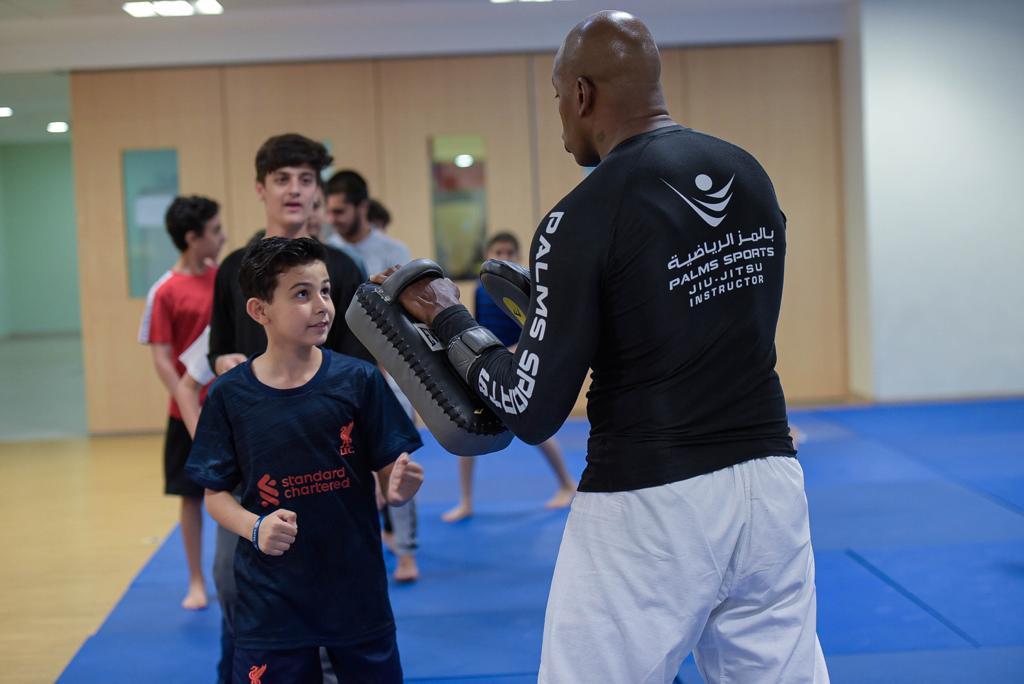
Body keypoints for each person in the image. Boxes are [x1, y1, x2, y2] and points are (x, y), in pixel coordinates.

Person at [390, 11, 829, 684]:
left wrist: (448, 317)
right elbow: (691, 321)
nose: (561, 118)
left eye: (557, 98)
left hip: (650, 500)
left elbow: (531, 408)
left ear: (582, 93)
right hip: (771, 486)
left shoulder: (580, 215)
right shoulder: (747, 172)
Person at [187, 237, 424, 684]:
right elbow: (214, 496)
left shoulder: (360, 381)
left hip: (355, 590)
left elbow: (391, 471)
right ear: (260, 310)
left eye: (326, 291)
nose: (322, 306)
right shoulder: (229, 396)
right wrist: (255, 527)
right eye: (302, 293)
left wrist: (399, 487)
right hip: (271, 599)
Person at [205, 133, 374, 683]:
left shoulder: (342, 269)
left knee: (329, 591)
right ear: (261, 188)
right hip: (248, 461)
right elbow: (217, 351)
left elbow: (358, 371)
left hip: (325, 464)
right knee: (233, 581)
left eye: (306, 179)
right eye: (282, 179)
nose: (295, 190)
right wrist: (226, 365)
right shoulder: (234, 268)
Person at [325, 169, 421, 582]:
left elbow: (410, 316)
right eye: (329, 211)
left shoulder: (393, 250)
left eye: (340, 211)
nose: (333, 219)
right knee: (348, 467)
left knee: (398, 464)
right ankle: (362, 545)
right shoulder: (325, 254)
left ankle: (407, 552)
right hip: (343, 373)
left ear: (362, 207)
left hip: (391, 374)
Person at [441, 232, 575, 523]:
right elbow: (477, 326)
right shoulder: (480, 290)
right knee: (468, 428)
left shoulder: (526, 287)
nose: (503, 257)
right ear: (487, 255)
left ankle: (567, 483)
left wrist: (512, 351)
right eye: (497, 252)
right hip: (488, 361)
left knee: (533, 426)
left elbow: (533, 330)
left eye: (509, 253)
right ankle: (466, 501)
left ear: (518, 256)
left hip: (516, 362)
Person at [137, 195, 225, 611]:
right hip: (185, 414)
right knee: (191, 497)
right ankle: (195, 579)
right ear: (192, 238)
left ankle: (235, 571)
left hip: (227, 408)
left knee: (236, 490)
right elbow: (161, 356)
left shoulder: (223, 279)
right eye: (215, 231)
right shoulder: (165, 291)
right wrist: (187, 403)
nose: (223, 237)